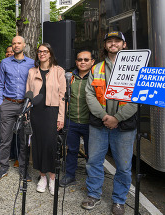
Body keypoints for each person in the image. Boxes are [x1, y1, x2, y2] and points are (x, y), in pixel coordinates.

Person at [81, 31, 137, 215]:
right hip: (99, 124)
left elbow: (138, 98)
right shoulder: (96, 69)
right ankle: (94, 194)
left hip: (124, 126)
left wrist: (117, 118)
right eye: (109, 41)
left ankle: (119, 200)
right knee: (94, 162)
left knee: (123, 166)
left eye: (117, 41)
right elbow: (89, 95)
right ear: (105, 46)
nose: (113, 44)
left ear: (124, 44)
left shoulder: (136, 68)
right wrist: (105, 117)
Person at [26, 43, 66, 195]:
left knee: (51, 145)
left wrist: (61, 117)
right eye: (39, 51)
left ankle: (52, 178)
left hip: (52, 112)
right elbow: (28, 93)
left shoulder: (59, 71)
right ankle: (42, 177)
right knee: (38, 145)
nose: (42, 54)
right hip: (36, 112)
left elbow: (62, 96)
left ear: (50, 54)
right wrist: (27, 114)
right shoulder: (32, 72)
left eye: (45, 51)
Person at [0, 36, 34, 180]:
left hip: (25, 105)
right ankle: (3, 168)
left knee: (24, 140)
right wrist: (0, 103)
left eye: (19, 43)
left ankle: (23, 170)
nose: (16, 45)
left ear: (24, 45)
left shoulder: (32, 63)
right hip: (8, 104)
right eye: (14, 43)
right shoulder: (4, 63)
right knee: (5, 139)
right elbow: (0, 84)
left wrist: (30, 104)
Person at [59, 50, 95, 187]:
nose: (83, 62)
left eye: (86, 60)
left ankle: (92, 178)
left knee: (91, 152)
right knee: (72, 150)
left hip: (90, 123)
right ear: (76, 62)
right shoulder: (70, 77)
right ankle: (69, 175)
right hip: (72, 121)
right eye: (80, 60)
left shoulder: (95, 77)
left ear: (92, 62)